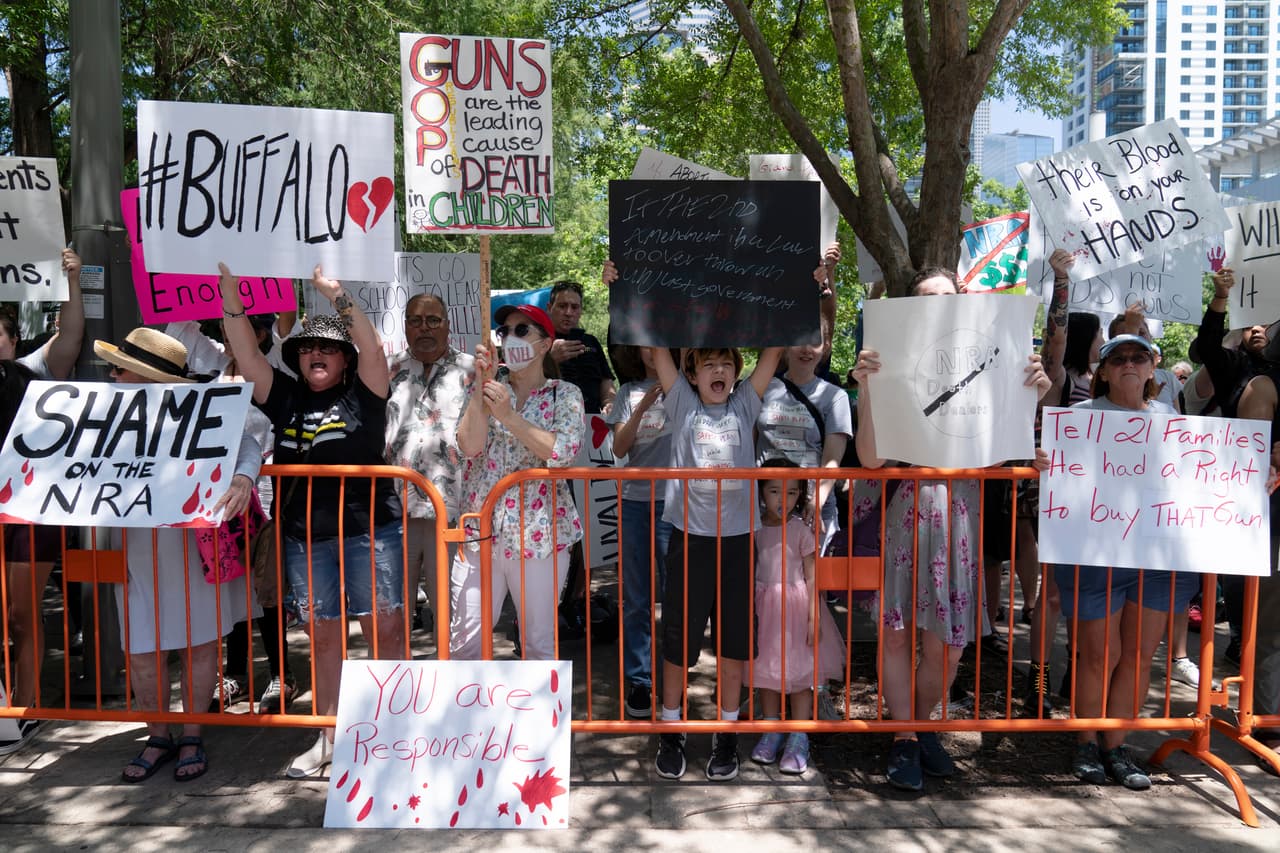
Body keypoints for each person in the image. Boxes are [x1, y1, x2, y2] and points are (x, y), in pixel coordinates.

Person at [851, 267, 1051, 792]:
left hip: (960, 524)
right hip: (905, 519)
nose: (939, 305)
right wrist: (868, 387)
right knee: (896, 642)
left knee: (949, 647)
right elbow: (871, 459)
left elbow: (1014, 451)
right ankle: (906, 739)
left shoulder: (989, 360)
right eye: (927, 299)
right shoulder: (892, 367)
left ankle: (916, 727)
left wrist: (1033, 395)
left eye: (948, 297)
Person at [219, 263, 407, 780]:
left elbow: (371, 347)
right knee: (323, 639)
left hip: (371, 532)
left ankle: (391, 739)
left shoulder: (365, 391)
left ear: (343, 359)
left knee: (384, 633)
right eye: (305, 349)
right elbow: (249, 354)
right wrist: (231, 296)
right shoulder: (286, 396)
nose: (315, 354)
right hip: (305, 539)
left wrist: (336, 295)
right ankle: (329, 737)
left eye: (326, 348)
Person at [95, 328, 259, 782]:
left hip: (192, 543)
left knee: (200, 641)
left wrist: (243, 477)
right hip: (131, 544)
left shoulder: (202, 406)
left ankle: (192, 733)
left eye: (120, 369)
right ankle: (158, 736)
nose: (112, 375)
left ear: (146, 377)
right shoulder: (103, 412)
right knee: (142, 645)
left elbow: (246, 443)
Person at [1053, 333, 1199, 791]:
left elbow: (1197, 477)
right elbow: (1062, 478)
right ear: (1103, 370)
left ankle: (1116, 746)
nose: (1129, 364)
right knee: (1099, 654)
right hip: (1095, 555)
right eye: (1118, 358)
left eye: (1139, 357)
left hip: (1156, 556)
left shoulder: (1171, 419)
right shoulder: (1078, 419)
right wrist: (1044, 461)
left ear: (1153, 368)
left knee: (1138, 657)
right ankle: (1085, 742)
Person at [164, 319, 297, 714]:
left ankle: (281, 674)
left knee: (267, 586)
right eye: (221, 324)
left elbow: (287, 321)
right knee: (233, 581)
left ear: (259, 332)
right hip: (222, 495)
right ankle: (236, 673)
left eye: (236, 324)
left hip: (268, 488)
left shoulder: (275, 363)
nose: (227, 332)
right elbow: (177, 332)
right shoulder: (214, 362)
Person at [452, 303, 585, 661]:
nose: (510, 338)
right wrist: (482, 391)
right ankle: (467, 716)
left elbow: (562, 452)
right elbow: (469, 447)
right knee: (466, 640)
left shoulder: (565, 394)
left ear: (545, 344)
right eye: (505, 331)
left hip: (541, 535)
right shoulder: (484, 389)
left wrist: (509, 416)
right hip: (480, 533)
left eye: (521, 330)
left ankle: (536, 717)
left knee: (538, 642)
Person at [0, 247, 83, 754]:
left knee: (21, 614)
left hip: (30, 510)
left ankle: (25, 710)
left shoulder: (32, 370)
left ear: (13, 341)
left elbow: (70, 338)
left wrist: (72, 281)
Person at [385, 293, 475, 638]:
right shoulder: (387, 368)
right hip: (395, 512)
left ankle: (449, 689)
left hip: (452, 511)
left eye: (433, 320)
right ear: (405, 326)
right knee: (392, 613)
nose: (424, 328)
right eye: (416, 320)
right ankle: (397, 690)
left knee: (450, 614)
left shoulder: (472, 370)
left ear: (448, 325)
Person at [748, 459, 844, 776]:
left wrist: (814, 617)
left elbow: (813, 578)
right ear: (762, 491)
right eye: (774, 491)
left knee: (801, 675)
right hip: (764, 609)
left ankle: (799, 736)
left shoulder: (801, 529)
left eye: (791, 493)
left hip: (796, 608)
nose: (782, 499)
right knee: (766, 671)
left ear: (800, 495)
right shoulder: (754, 526)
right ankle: (772, 729)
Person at [606, 344, 675, 718]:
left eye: (659, 341)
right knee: (636, 597)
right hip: (634, 502)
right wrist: (643, 406)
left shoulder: (684, 386)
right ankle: (639, 681)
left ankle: (675, 678)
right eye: (646, 342)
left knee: (678, 595)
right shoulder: (628, 391)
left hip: (674, 503)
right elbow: (619, 446)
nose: (653, 349)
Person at [755, 316, 852, 557]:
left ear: (826, 346)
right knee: (766, 582)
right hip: (764, 506)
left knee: (811, 586)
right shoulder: (761, 387)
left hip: (811, 505)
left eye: (815, 341)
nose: (807, 349)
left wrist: (815, 501)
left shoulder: (835, 396)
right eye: (800, 339)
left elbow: (832, 459)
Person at [1237, 355, 1280, 769]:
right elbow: (1248, 457)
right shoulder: (1265, 386)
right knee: (1272, 629)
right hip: (1275, 526)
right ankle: (1269, 725)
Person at [547, 280, 616, 414]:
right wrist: (550, 360)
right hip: (551, 420)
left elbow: (605, 380)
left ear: (581, 311)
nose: (568, 312)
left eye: (574, 307)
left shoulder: (591, 342)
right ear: (549, 308)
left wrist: (609, 402)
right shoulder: (539, 340)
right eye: (562, 306)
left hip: (592, 422)